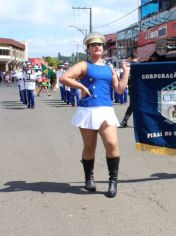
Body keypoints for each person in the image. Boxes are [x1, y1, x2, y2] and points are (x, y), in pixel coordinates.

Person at [59, 32, 130, 198]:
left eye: (99, 44)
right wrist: (82, 87)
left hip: (106, 110)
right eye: (93, 45)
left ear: (103, 48)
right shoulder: (84, 65)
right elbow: (64, 78)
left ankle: (113, 181)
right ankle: (88, 178)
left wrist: (125, 72)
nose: (97, 47)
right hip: (88, 110)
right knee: (90, 147)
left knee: (112, 144)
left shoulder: (109, 67)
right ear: (89, 49)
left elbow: (119, 89)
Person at [119, 52, 139, 128]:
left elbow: (127, 78)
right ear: (137, 58)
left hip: (131, 88)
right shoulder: (140, 65)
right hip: (140, 88)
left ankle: (124, 121)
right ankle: (142, 122)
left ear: (130, 58)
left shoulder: (127, 66)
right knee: (139, 105)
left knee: (132, 106)